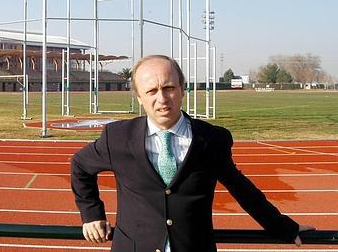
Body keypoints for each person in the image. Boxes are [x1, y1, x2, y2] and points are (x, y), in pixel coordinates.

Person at [70, 55, 314, 252]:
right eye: (152, 91)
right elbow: (80, 166)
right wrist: (91, 214)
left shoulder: (212, 139)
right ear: (139, 97)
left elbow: (241, 188)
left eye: (169, 88)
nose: (162, 99)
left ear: (182, 89)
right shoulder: (118, 137)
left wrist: (283, 227)